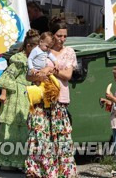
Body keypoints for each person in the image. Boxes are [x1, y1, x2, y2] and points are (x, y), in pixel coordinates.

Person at [25, 21, 77, 177]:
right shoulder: (40, 50)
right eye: (59, 35)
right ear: (52, 36)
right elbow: (29, 75)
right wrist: (39, 73)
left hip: (59, 99)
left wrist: (51, 70)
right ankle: (40, 170)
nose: (62, 39)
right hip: (41, 98)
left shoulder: (69, 52)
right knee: (40, 136)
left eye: (65, 36)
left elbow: (68, 75)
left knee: (61, 137)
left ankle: (62, 171)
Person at [0, 29, 37, 170]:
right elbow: (7, 77)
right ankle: (7, 160)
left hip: (29, 95)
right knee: (12, 127)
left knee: (25, 128)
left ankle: (21, 160)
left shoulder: (36, 59)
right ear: (29, 46)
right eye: (35, 47)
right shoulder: (20, 60)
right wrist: (4, 94)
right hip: (16, 95)